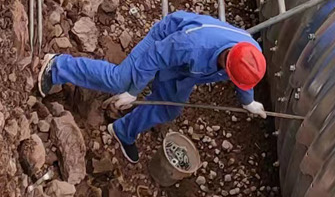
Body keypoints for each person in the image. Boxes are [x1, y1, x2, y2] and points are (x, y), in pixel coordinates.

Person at [38, 9, 268, 165]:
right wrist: (133, 92)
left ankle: (122, 130)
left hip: (187, 69)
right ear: (227, 62)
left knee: (170, 108)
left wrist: (249, 102)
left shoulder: (250, 52)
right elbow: (154, 58)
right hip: (164, 41)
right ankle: (56, 66)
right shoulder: (192, 45)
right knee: (120, 80)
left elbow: (245, 75)